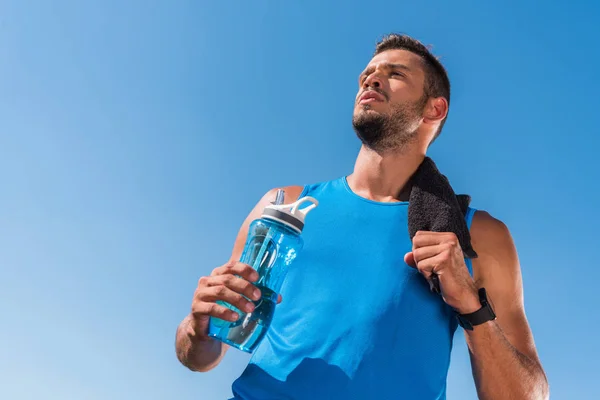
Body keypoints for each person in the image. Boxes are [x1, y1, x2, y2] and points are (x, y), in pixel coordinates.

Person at [175, 33, 549, 399]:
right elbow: (201, 357)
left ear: (434, 109)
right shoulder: (283, 206)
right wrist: (197, 327)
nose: (371, 78)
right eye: (367, 74)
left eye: (395, 74)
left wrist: (470, 304)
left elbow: (527, 395)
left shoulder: (476, 235)